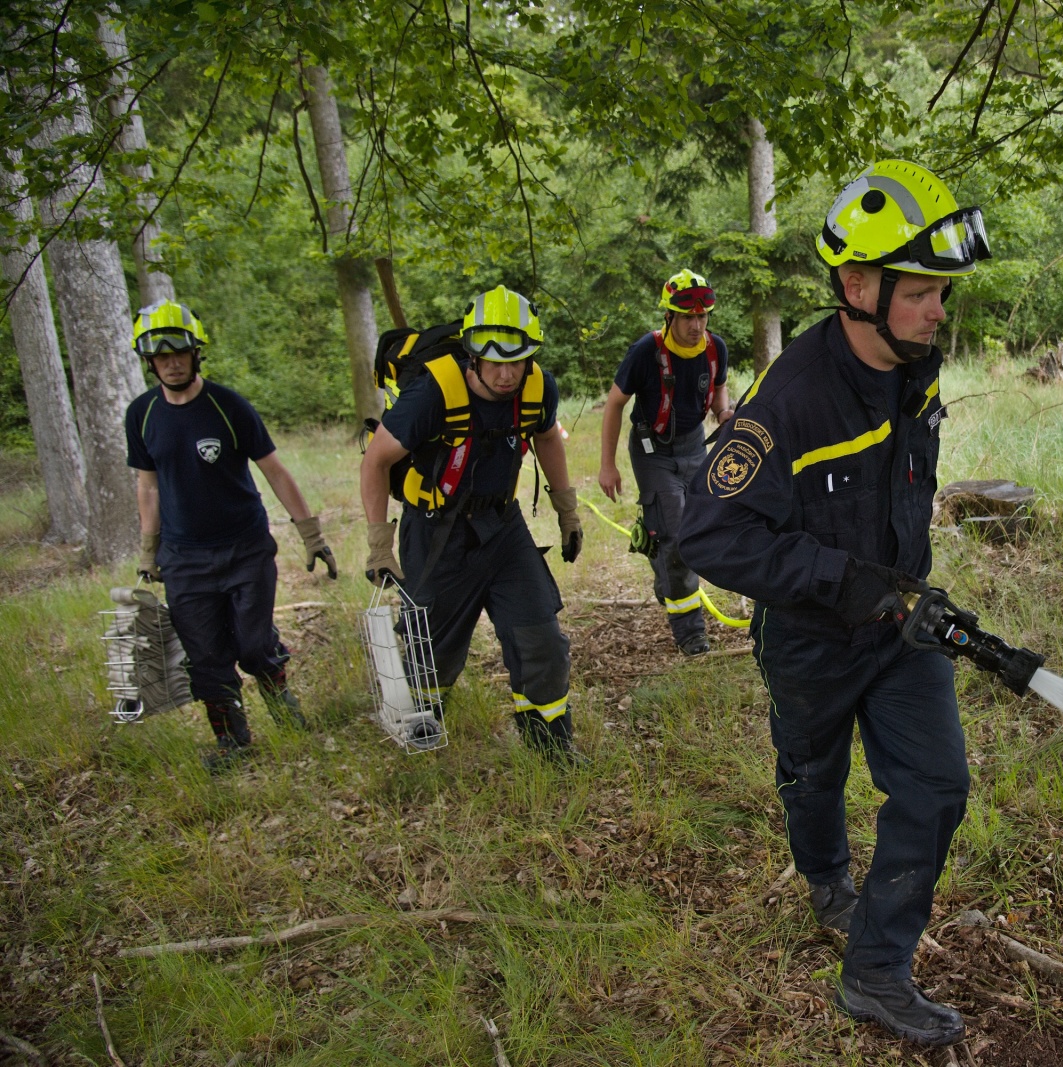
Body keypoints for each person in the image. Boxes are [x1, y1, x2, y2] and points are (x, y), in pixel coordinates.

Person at [680, 160, 991, 1046]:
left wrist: (901, 590)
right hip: (812, 642)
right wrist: (841, 581)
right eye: (924, 290)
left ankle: (877, 970)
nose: (939, 309)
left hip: (900, 625)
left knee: (936, 784)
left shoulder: (914, 367)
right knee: (813, 778)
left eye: (943, 292)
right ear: (858, 284)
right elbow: (707, 533)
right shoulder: (789, 400)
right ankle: (824, 878)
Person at [358, 286, 584, 760]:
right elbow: (375, 461)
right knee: (432, 648)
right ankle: (422, 734)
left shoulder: (538, 385)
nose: (506, 374)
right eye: (494, 362)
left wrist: (568, 513)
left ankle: (550, 745)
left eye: (517, 361)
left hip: (503, 527)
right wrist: (380, 546)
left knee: (539, 634)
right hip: (436, 532)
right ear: (472, 355)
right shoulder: (432, 392)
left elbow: (546, 439)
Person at [124, 300, 338, 771]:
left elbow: (276, 473)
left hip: (246, 548)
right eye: (161, 357)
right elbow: (147, 485)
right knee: (205, 655)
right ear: (149, 361)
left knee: (253, 643)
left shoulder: (228, 406)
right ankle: (233, 740)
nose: (172, 363)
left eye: (179, 353)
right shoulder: (141, 415)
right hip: (183, 557)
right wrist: (147, 551)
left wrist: (311, 535)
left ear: (195, 353)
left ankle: (285, 708)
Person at [597, 269, 733, 656]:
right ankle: (690, 632)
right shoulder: (646, 351)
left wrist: (724, 415)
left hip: (694, 448)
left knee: (696, 526)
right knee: (676, 536)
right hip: (652, 451)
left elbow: (719, 392)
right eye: (688, 317)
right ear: (670, 316)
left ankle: (664, 568)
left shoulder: (714, 349)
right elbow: (614, 404)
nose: (697, 325)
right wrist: (608, 465)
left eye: (703, 317)